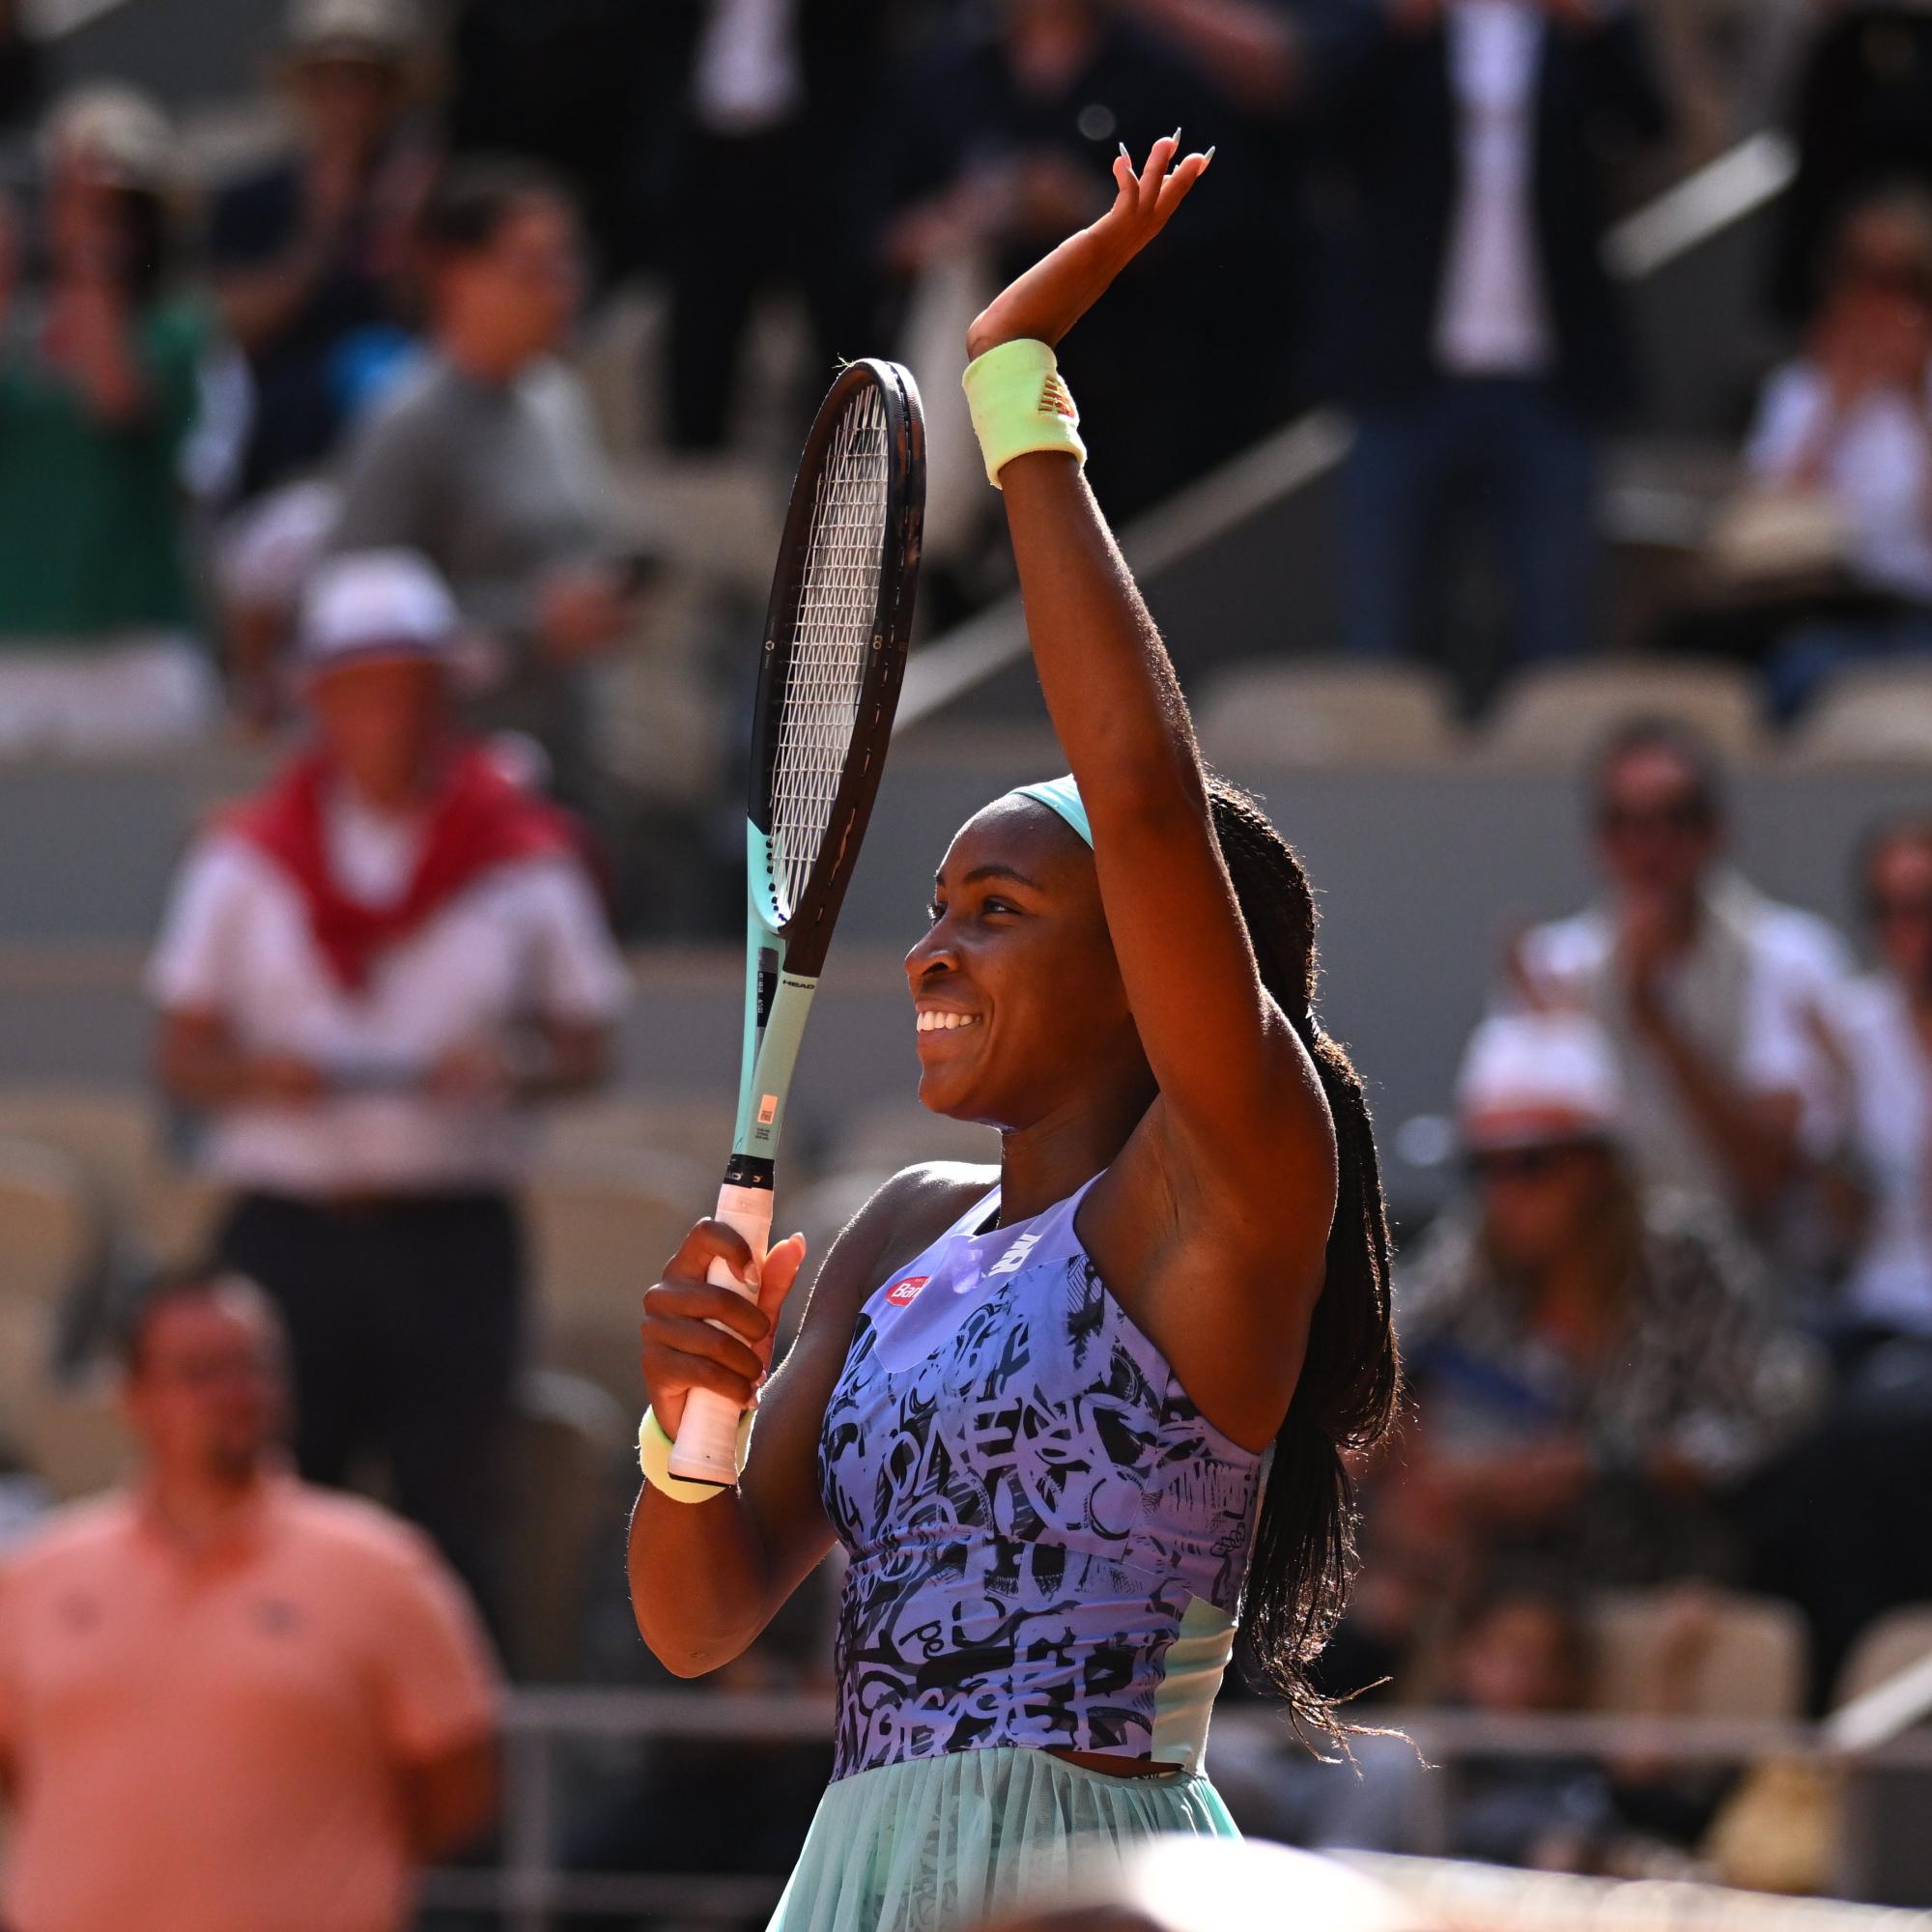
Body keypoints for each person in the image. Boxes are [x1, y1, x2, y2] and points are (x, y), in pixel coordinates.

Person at [628, 137, 1400, 1931]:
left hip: (1095, 1887)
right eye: (935, 907)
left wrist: (1014, 400)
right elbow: (698, 1617)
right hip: (859, 1873)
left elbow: (1141, 795)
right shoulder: (901, 1225)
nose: (930, 950)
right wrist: (691, 1429)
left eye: (996, 909)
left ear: (1149, 957)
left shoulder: (1232, 1176)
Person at [147, 549, 630, 1625]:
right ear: (320, 701)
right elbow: (179, 1053)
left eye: (412, 689)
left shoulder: (524, 854)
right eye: (364, 690)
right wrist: (254, 1075)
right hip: (287, 1232)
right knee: (268, 1505)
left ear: (447, 696)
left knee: (455, 1517)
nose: (390, 717)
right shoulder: (243, 860)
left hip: (451, 1234)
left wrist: (515, 1067)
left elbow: (589, 1043)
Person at [0, 1267, 500, 1932]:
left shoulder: (383, 1567)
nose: (237, 1393)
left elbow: (459, 1786)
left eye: (255, 1366)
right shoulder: (39, 1575)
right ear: (134, 1396)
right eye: (202, 1372)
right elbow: (17, 1769)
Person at [1387, 1011, 1816, 1588]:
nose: (1502, 1194)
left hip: (1670, 1581)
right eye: (1481, 1170)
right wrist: (1435, 1466)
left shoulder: (1682, 1261)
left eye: (1529, 1165)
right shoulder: (1471, 1254)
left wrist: (1624, 1465)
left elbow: (1781, 1402)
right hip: (1507, 1588)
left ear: (1596, 1167)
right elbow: (1370, 1362)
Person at [1319, 0, 1669, 684]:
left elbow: (1651, 125)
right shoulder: (1387, 26)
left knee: (1557, 628)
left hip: (1552, 378)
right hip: (1404, 378)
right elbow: (1323, 132)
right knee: (1382, 634)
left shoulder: (1580, 31)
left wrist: (1593, 28)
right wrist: (1393, 30)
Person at [328, 157, 639, 786]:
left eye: (566, 263)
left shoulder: (559, 399)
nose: (561, 289)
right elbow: (353, 622)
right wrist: (527, 630)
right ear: (455, 276)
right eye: (532, 268)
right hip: (455, 786)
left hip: (571, 757)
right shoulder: (406, 426)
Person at [1506, 718, 1857, 1245]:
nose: (1650, 845)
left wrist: (1653, 1017)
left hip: (1749, 1261)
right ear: (1598, 840)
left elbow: (1765, 1180)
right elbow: (1530, 1180)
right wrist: (1556, 1053)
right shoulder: (1552, 963)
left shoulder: (1792, 957)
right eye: (1626, 823)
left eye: (1675, 819)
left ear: (1716, 831)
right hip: (1601, 1259)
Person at [0, 85, 218, 751]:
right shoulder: (16, 333)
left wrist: (84, 260)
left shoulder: (176, 333)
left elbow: (113, 399)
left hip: (134, 652)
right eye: (76, 201)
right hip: (15, 650)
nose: (104, 223)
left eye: (122, 207)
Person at [209, 0, 434, 499]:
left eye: (362, 81)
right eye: (328, 81)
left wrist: (401, 237)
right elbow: (232, 327)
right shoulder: (250, 199)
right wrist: (321, 229)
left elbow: (435, 324)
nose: (346, 101)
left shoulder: (419, 197)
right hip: (281, 448)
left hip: (390, 449)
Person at [1735, 189, 1932, 717]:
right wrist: (1835, 413)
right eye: (1861, 275)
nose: (1879, 302)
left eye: (1903, 280)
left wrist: (1916, 403)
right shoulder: (1800, 391)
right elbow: (1767, 535)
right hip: (1830, 609)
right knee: (1792, 667)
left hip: (1918, 611)